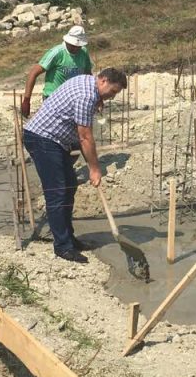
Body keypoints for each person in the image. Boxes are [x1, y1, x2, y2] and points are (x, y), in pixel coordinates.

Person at [22, 67, 127, 263]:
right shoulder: (86, 95)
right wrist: (94, 169)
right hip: (42, 139)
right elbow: (85, 137)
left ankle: (68, 238)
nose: (112, 97)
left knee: (69, 186)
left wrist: (100, 99)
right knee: (58, 192)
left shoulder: (89, 83)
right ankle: (62, 247)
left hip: (55, 140)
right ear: (103, 80)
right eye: (112, 92)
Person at [20, 25, 92, 117]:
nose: (75, 48)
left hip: (73, 99)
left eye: (78, 46)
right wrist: (26, 100)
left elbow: (88, 75)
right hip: (53, 99)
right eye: (72, 46)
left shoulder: (83, 53)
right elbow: (33, 73)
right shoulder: (57, 52)